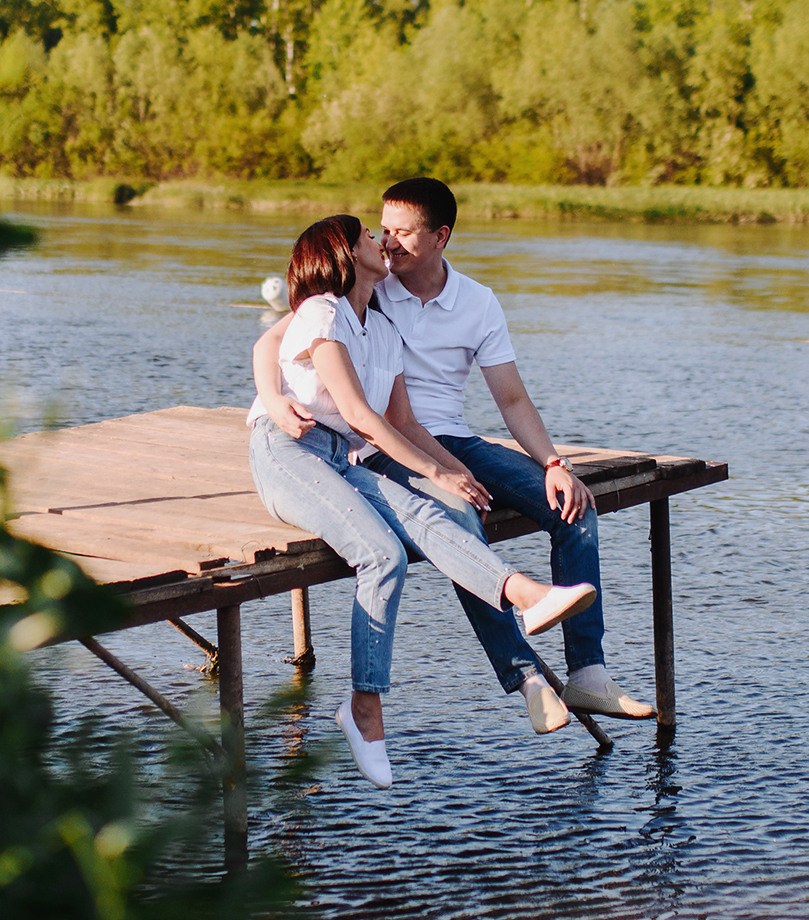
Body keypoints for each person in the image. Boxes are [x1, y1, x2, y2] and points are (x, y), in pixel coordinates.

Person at [255, 177, 653, 733]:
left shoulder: (476, 302)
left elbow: (512, 399)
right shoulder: (366, 287)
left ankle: (588, 673)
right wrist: (274, 401)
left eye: (401, 232)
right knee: (462, 518)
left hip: (450, 440)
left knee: (575, 507)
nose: (387, 242)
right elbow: (274, 341)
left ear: (440, 236)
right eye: (382, 230)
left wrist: (554, 464)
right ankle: (527, 678)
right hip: (385, 449)